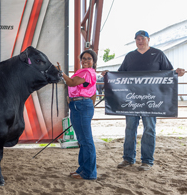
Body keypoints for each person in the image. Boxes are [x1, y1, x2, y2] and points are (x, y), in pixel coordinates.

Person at [104, 30, 185, 171]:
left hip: (151, 100)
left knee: (149, 129)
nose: (139, 41)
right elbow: (120, 75)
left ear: (148, 39)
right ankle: (128, 158)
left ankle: (147, 161)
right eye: (137, 39)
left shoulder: (158, 54)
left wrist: (178, 72)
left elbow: (169, 73)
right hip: (131, 101)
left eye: (142, 38)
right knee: (130, 129)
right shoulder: (130, 56)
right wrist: (108, 75)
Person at [57, 49, 98, 180]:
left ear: (93, 61)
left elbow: (71, 83)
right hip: (78, 106)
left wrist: (61, 72)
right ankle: (82, 169)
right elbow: (93, 92)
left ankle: (89, 173)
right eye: (84, 58)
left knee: (86, 141)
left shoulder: (88, 72)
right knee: (82, 140)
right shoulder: (81, 72)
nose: (85, 61)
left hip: (82, 106)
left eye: (89, 58)